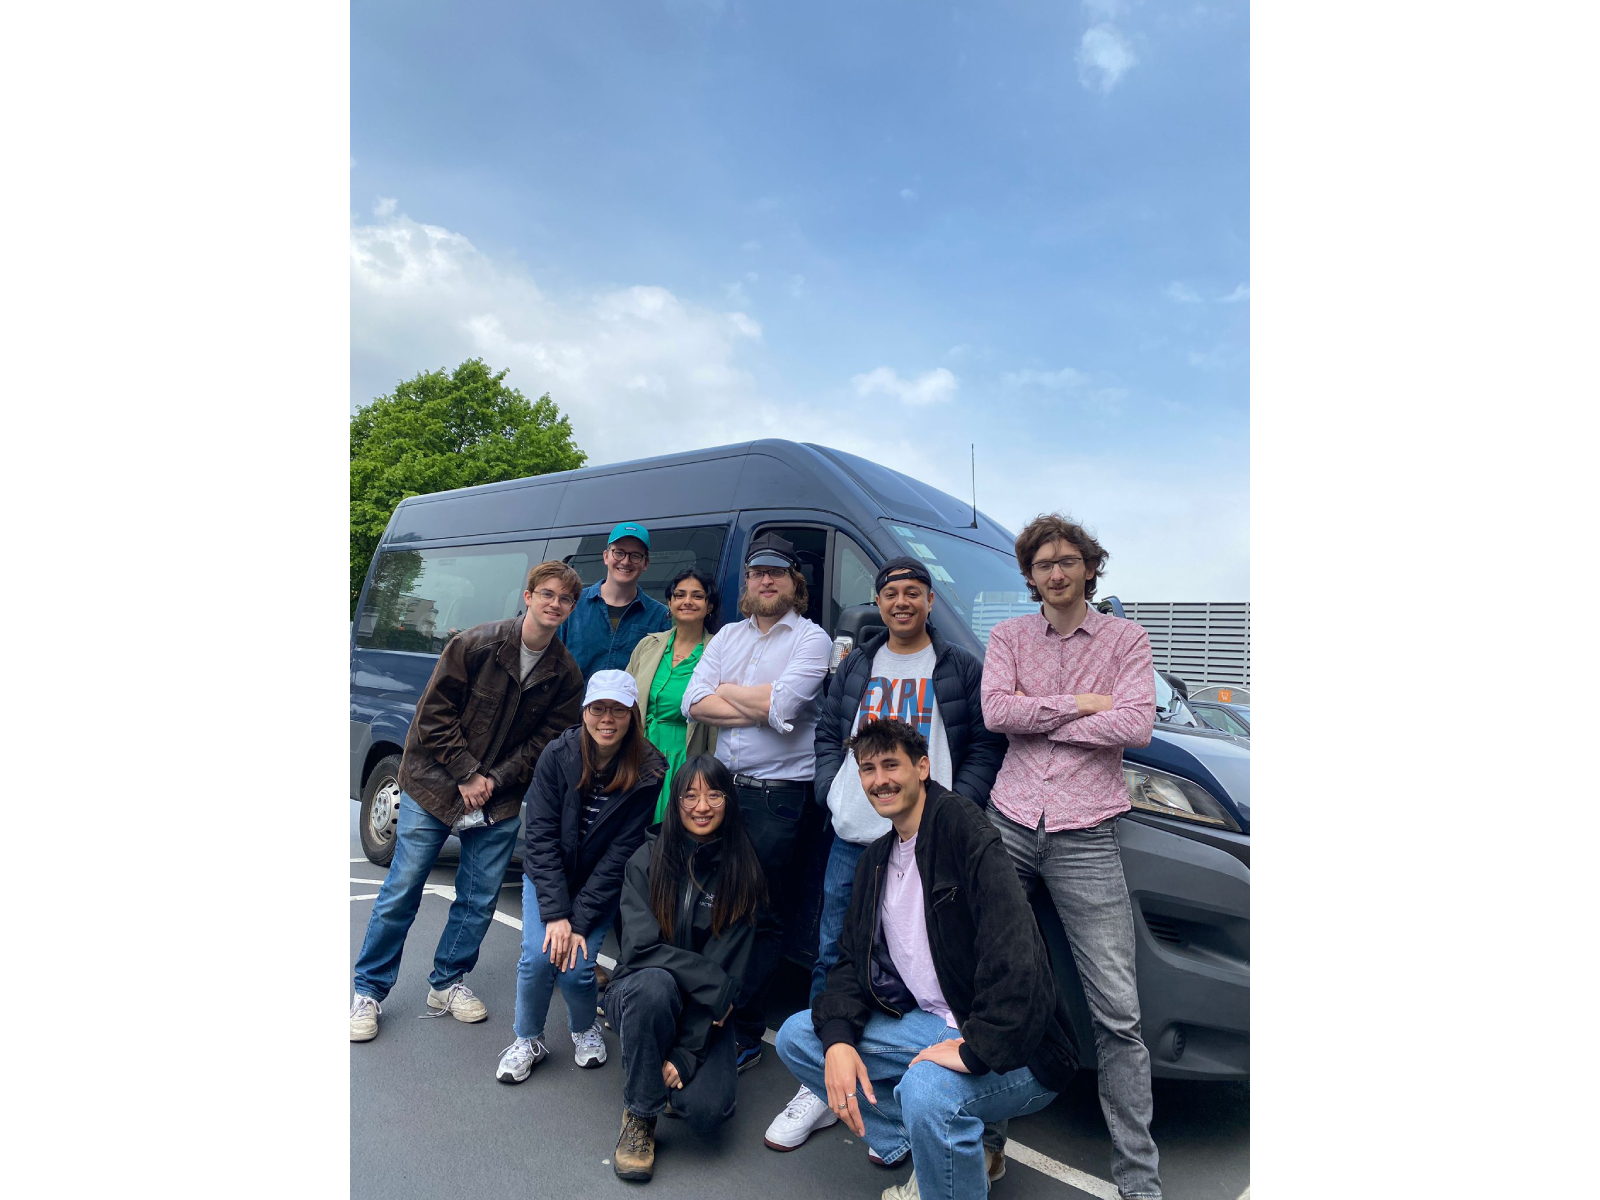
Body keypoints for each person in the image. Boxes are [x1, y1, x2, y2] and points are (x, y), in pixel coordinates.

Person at [773, 717, 1078, 1200]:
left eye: (891, 765)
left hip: (1016, 1045)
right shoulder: (876, 859)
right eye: (867, 769)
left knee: (927, 1094)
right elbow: (850, 964)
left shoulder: (962, 829)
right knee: (799, 1037)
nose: (880, 780)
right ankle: (919, 1141)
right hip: (931, 1024)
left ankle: (940, 1143)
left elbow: (1019, 952)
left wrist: (975, 1049)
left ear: (922, 766)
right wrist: (837, 1040)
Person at [764, 555, 1007, 1157]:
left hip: (928, 838)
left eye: (913, 593)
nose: (902, 603)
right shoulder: (859, 663)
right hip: (853, 835)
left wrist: (960, 804)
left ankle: (903, 1094)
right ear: (879, 602)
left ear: (929, 602)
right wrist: (831, 789)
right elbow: (827, 731)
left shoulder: (957, 666)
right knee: (833, 954)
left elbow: (983, 743)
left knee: (924, 960)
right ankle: (823, 1082)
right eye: (891, 593)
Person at [980, 513, 1162, 1200]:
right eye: (1042, 563)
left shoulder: (1126, 638)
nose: (1055, 572)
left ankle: (1138, 1180)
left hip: (1087, 830)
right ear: (1028, 576)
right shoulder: (1007, 636)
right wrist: (1081, 703)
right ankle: (986, 1140)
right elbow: (997, 712)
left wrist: (1042, 709)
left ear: (1090, 566)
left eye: (1067, 561)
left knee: (1118, 1014)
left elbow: (1135, 724)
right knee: (990, 982)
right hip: (1011, 818)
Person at [351, 562, 586, 1041]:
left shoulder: (566, 674)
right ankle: (368, 991)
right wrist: (465, 772)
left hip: (497, 797)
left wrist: (490, 780)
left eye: (564, 599)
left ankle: (447, 983)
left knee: (478, 898)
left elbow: (546, 741)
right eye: (547, 594)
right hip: (433, 782)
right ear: (528, 595)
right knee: (403, 888)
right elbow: (432, 715)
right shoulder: (475, 644)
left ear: (571, 608)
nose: (554, 604)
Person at [684, 532, 832, 1071]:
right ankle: (705, 1008)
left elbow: (787, 704)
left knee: (762, 917)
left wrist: (733, 694)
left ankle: (745, 1029)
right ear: (746, 582)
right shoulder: (726, 635)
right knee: (710, 904)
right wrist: (762, 705)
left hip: (779, 801)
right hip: (723, 791)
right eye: (756, 572)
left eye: (777, 572)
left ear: (796, 583)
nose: (765, 580)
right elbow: (692, 703)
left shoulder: (812, 639)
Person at [604, 755, 775, 1182]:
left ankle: (655, 1056)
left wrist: (685, 1053)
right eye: (691, 795)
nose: (702, 806)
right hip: (640, 990)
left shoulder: (743, 873)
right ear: (675, 802)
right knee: (655, 986)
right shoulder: (645, 859)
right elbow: (641, 950)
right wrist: (713, 980)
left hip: (702, 1014)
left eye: (714, 794)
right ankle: (639, 1116)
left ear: (729, 801)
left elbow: (726, 976)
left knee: (705, 1113)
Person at [493, 670, 667, 1083]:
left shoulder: (649, 770)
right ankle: (527, 1038)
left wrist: (578, 921)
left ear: (632, 714)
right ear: (585, 711)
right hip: (548, 876)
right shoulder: (558, 754)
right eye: (598, 708)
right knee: (538, 957)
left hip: (598, 885)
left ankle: (583, 1025)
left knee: (574, 968)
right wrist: (556, 916)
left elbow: (620, 855)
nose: (607, 719)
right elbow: (540, 836)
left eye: (618, 710)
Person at [625, 567, 721, 825]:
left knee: (673, 831)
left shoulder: (720, 650)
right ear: (669, 602)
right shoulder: (648, 645)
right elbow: (624, 700)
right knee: (631, 832)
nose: (687, 601)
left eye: (697, 596)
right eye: (679, 595)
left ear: (709, 606)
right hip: (639, 753)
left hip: (686, 756)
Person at [558, 520, 672, 680]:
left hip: (630, 706)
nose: (625, 561)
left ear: (646, 563)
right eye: (619, 552)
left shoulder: (660, 616)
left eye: (635, 556)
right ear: (606, 556)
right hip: (573, 705)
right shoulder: (573, 604)